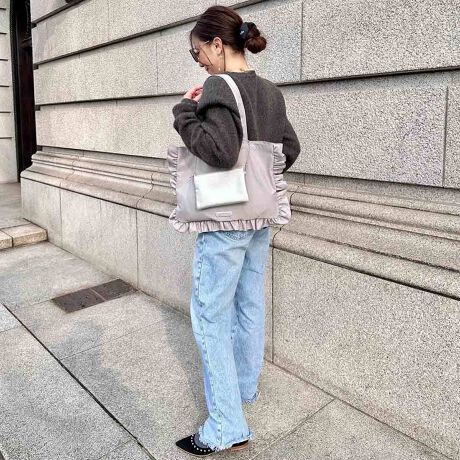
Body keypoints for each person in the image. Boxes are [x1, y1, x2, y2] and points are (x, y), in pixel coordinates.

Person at [172, 5, 301, 457]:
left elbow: (221, 152)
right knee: (249, 303)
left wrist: (185, 112)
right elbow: (290, 148)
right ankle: (244, 388)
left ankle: (226, 425)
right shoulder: (270, 91)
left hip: (226, 218)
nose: (199, 62)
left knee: (211, 315)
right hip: (261, 215)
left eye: (198, 53)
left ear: (217, 44)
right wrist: (259, 175)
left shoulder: (217, 86)